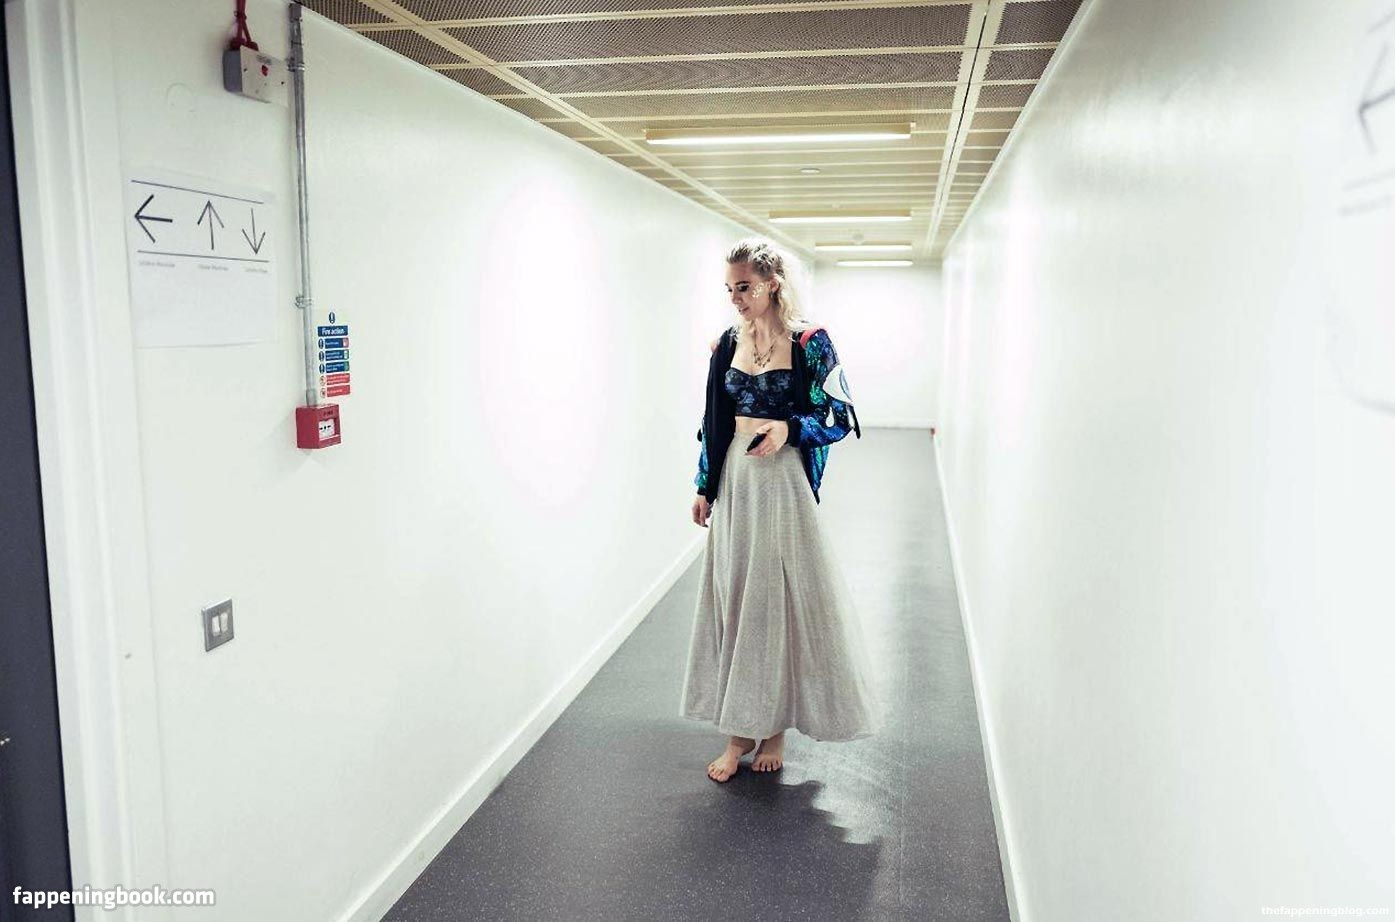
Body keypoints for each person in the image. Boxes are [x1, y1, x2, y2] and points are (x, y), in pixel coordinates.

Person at [680, 238, 883, 783]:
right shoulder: (727, 342)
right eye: (729, 289)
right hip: (737, 481)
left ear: (772, 284)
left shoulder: (811, 342)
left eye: (744, 287)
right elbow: (713, 419)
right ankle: (740, 729)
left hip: (783, 483)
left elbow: (840, 417)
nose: (735, 299)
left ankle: (768, 731)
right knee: (736, 598)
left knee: (772, 603)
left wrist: (789, 430)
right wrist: (704, 485)